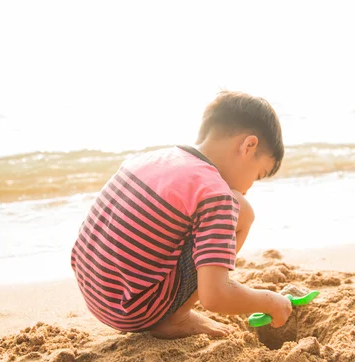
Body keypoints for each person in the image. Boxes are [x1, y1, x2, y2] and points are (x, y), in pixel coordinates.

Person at [70, 90, 292, 339]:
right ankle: (177, 319)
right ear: (248, 146)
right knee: (243, 212)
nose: (249, 187)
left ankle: (168, 310)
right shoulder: (214, 193)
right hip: (133, 310)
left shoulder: (152, 158)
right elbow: (216, 297)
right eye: (258, 174)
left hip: (94, 293)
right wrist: (270, 302)